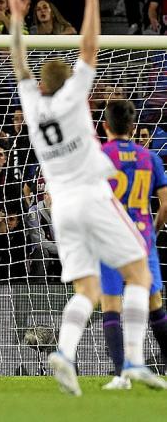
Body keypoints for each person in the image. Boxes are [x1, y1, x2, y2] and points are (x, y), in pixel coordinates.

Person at [4, 0, 166, 395]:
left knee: (89, 290)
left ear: (41, 85)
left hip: (60, 207)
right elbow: (90, 48)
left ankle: (64, 351)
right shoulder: (75, 98)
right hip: (93, 197)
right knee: (140, 276)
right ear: (70, 83)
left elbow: (18, 62)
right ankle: (133, 363)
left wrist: (17, 21)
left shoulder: (33, 107)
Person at [98, 100, 167, 390]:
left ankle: (121, 375)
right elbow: (165, 204)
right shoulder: (151, 158)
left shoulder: (100, 156)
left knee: (111, 304)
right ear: (134, 127)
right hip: (142, 240)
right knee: (155, 306)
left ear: (105, 127)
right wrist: (153, 230)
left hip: (111, 238)